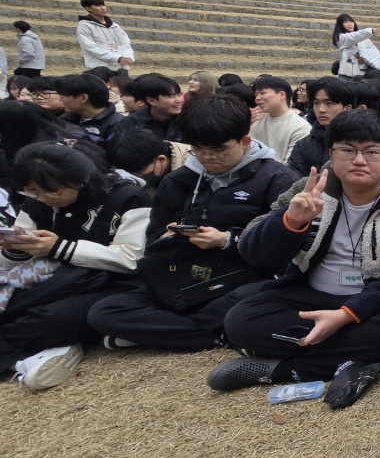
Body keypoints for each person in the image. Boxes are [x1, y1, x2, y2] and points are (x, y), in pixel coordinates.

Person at [214, 110, 380, 404]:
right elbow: (252, 251)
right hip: (310, 293)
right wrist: (290, 223)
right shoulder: (310, 190)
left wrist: (344, 315)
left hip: (376, 304)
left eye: (371, 152)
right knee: (239, 320)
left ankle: (285, 369)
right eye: (347, 150)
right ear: (331, 154)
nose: (359, 160)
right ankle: (361, 353)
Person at [86, 96, 297, 353]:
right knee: (104, 311)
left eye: (219, 150)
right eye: (198, 149)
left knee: (243, 302)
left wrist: (227, 240)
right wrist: (165, 240)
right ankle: (211, 333)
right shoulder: (178, 180)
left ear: (244, 141)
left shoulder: (278, 178)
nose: (208, 157)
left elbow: (283, 246)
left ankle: (175, 331)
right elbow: (153, 236)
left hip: (247, 275)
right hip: (188, 276)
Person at [0, 144, 151, 388]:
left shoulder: (128, 197)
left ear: (80, 180)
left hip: (113, 283)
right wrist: (16, 248)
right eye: (33, 192)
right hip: (54, 281)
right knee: (11, 308)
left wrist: (59, 248)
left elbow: (133, 258)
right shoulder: (36, 202)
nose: (44, 199)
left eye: (53, 193)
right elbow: (16, 261)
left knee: (54, 318)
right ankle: (43, 353)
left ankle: (31, 354)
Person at [288, 76, 354, 177]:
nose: (321, 109)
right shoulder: (303, 146)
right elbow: (295, 180)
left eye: (329, 103)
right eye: (316, 103)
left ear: (347, 108)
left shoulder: (364, 140)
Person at [248, 75, 312, 164]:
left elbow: (290, 167)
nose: (257, 98)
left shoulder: (300, 127)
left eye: (262, 93)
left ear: (282, 94)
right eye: (256, 95)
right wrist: (244, 126)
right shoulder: (254, 118)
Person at [56, 73, 126, 147]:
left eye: (64, 95)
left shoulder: (118, 125)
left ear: (83, 98)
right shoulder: (66, 119)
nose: (60, 99)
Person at [76, 0, 135, 73]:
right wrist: (117, 58)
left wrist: (128, 57)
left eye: (103, 5)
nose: (103, 8)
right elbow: (90, 47)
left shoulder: (115, 26)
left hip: (120, 67)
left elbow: (125, 44)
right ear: (88, 8)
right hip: (99, 68)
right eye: (98, 6)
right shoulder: (85, 25)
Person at [121, 74, 184, 141]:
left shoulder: (188, 119)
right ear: (151, 101)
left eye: (179, 95)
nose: (179, 100)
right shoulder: (132, 122)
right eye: (171, 96)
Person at [331, 14, 380, 81]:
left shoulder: (366, 40)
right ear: (340, 25)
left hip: (362, 77)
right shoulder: (341, 38)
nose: (349, 24)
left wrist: (365, 59)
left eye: (351, 21)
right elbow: (354, 37)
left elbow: (374, 54)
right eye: (345, 22)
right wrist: (370, 31)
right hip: (345, 77)